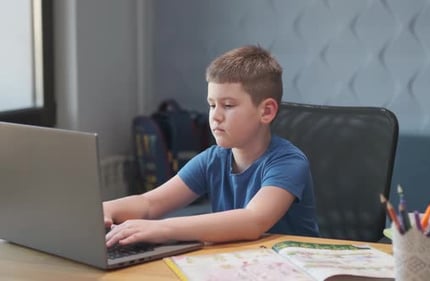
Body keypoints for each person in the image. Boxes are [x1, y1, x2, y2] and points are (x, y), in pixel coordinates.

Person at [104, 45, 319, 247]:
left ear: (266, 112)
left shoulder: (288, 162)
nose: (215, 116)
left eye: (227, 105)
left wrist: (163, 228)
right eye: (212, 105)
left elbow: (253, 220)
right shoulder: (213, 159)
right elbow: (150, 204)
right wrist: (106, 209)